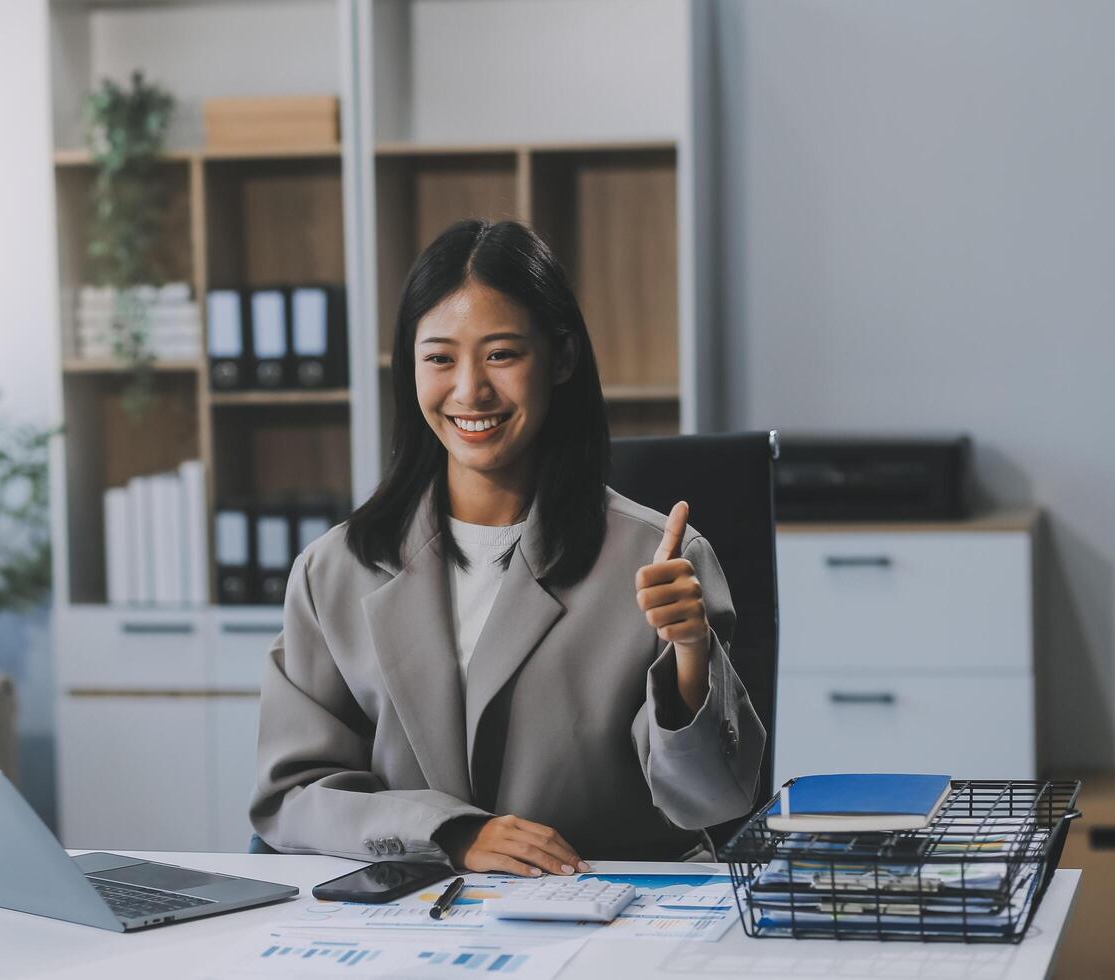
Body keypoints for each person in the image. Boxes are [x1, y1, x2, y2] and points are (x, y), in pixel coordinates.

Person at [250, 219, 764, 875]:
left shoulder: (661, 559)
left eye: (501, 354)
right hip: (412, 920)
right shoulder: (333, 571)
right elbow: (290, 797)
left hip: (610, 912)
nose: (470, 390)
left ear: (563, 358)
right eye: (439, 358)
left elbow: (714, 802)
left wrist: (692, 654)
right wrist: (449, 832)